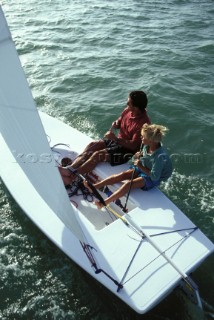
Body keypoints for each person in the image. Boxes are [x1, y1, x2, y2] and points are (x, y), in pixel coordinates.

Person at [59, 90, 151, 186]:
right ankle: (70, 168)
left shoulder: (143, 124)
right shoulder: (128, 110)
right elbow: (120, 121)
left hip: (126, 151)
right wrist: (116, 123)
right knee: (92, 145)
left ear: (136, 108)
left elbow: (133, 146)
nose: (126, 103)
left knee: (97, 155)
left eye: (129, 102)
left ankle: (72, 176)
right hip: (117, 141)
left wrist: (115, 139)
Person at [84, 123, 173, 209]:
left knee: (128, 184)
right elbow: (137, 160)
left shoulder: (159, 157)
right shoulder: (146, 146)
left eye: (143, 137)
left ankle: (103, 203)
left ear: (151, 141)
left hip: (152, 177)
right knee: (122, 175)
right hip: (145, 167)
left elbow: (154, 177)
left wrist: (140, 166)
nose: (141, 137)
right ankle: (94, 187)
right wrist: (137, 156)